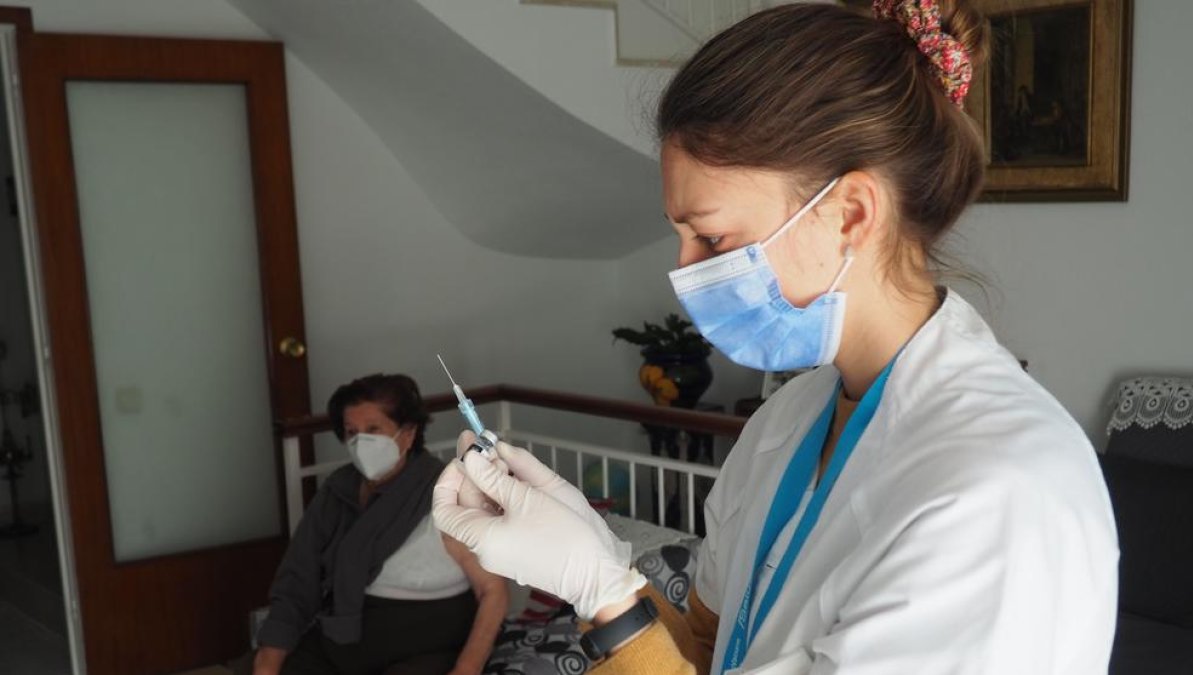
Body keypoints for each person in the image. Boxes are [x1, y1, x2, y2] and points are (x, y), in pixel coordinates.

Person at [433, 1, 1118, 674]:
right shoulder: (786, 422)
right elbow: (708, 647)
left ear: (850, 213)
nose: (684, 270)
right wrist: (600, 559)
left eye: (712, 236)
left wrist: (605, 601)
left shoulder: (995, 496)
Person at [254, 374, 507, 675]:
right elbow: (298, 581)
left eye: (374, 430)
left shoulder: (444, 491)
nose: (362, 442)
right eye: (352, 433)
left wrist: (466, 669)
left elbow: (493, 590)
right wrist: (268, 661)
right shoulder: (338, 491)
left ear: (409, 433)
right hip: (348, 631)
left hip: (430, 639)